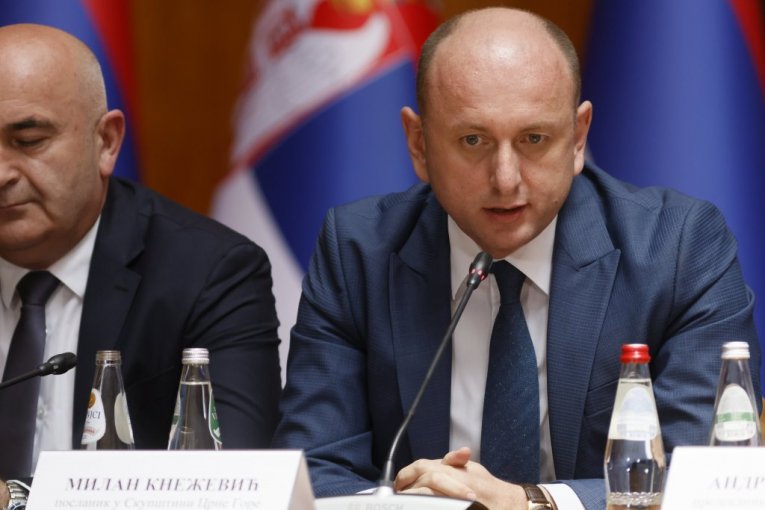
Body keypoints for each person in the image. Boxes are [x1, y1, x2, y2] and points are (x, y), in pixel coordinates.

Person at [272, 7, 762, 510]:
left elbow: (706, 477)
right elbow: (313, 468)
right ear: (419, 144)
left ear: (578, 137)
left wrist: (526, 503)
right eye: (473, 140)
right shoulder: (359, 252)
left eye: (533, 139)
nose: (505, 179)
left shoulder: (677, 248)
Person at [0, 23, 281, 506]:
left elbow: (233, 481)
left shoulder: (211, 272)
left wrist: (18, 498)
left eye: (29, 141)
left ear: (107, 142)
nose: (2, 173)